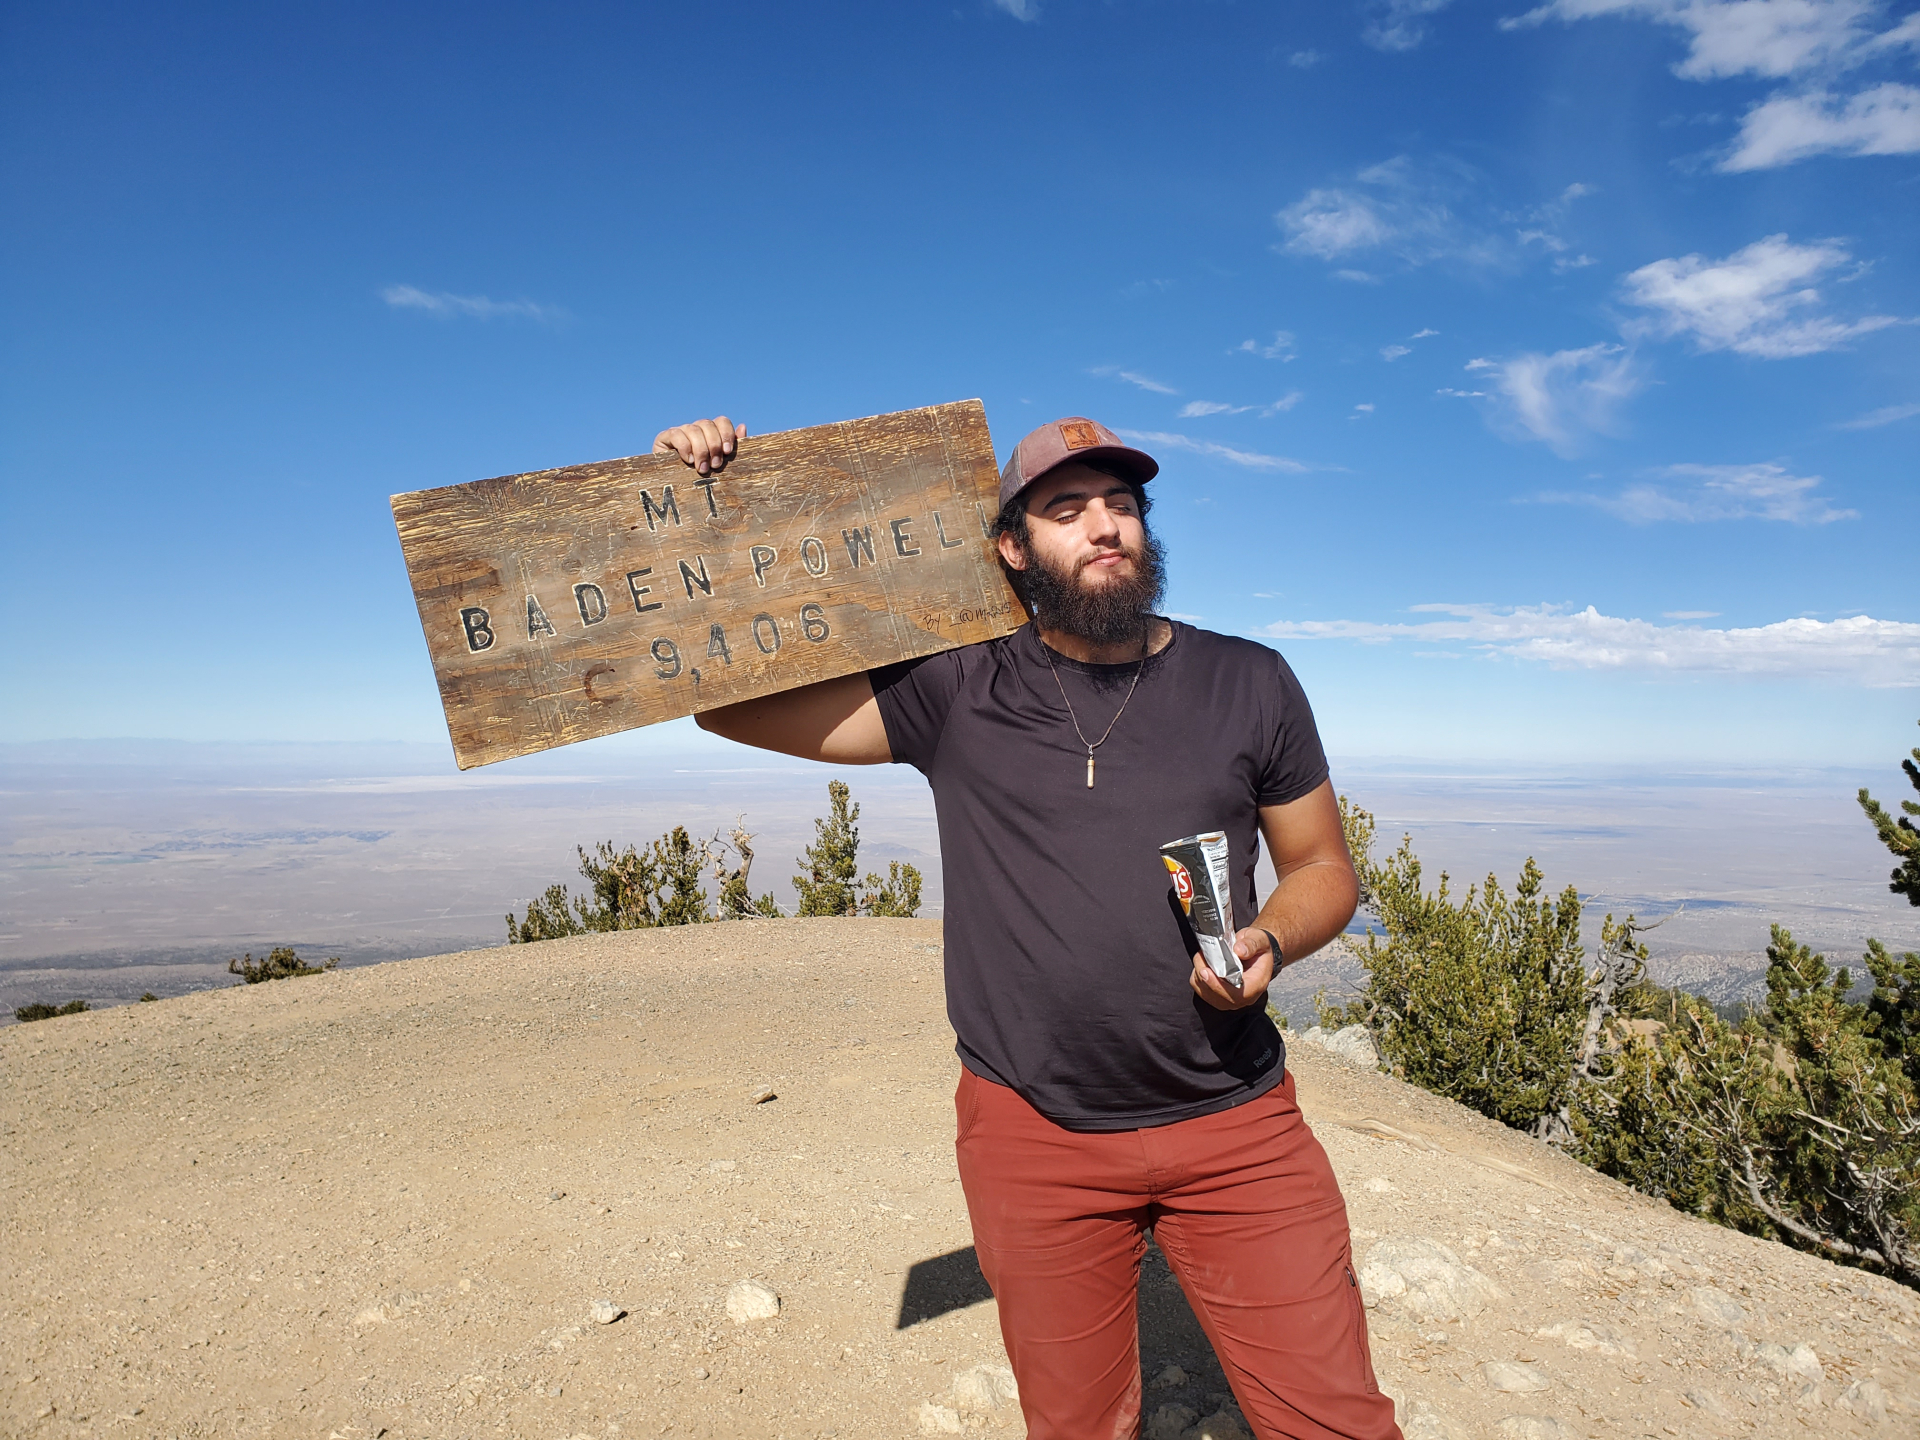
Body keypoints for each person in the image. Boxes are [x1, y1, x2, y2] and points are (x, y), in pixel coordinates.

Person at [654, 413, 1401, 1440]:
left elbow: (1321, 867)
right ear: (1011, 547)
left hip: (1236, 1124)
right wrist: (708, 506)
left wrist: (1267, 939)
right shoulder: (957, 687)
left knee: (1337, 1424)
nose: (1106, 527)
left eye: (1123, 505)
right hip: (1033, 1135)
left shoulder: (1250, 681)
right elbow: (718, 703)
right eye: (1067, 510)